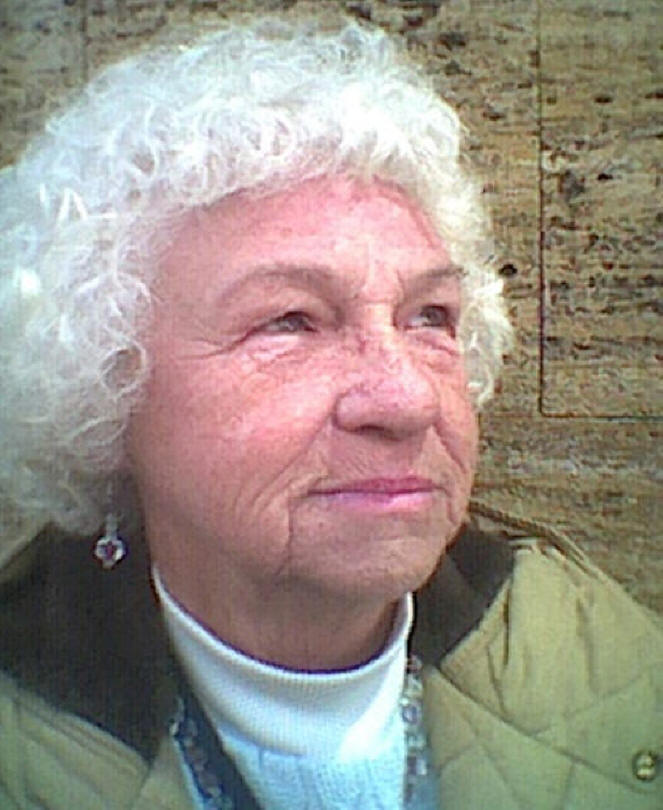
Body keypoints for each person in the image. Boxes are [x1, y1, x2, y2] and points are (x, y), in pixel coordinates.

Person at [0, 11, 660, 810]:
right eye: (290, 321)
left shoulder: (612, 659)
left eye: (430, 317)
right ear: (103, 386)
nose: (408, 398)